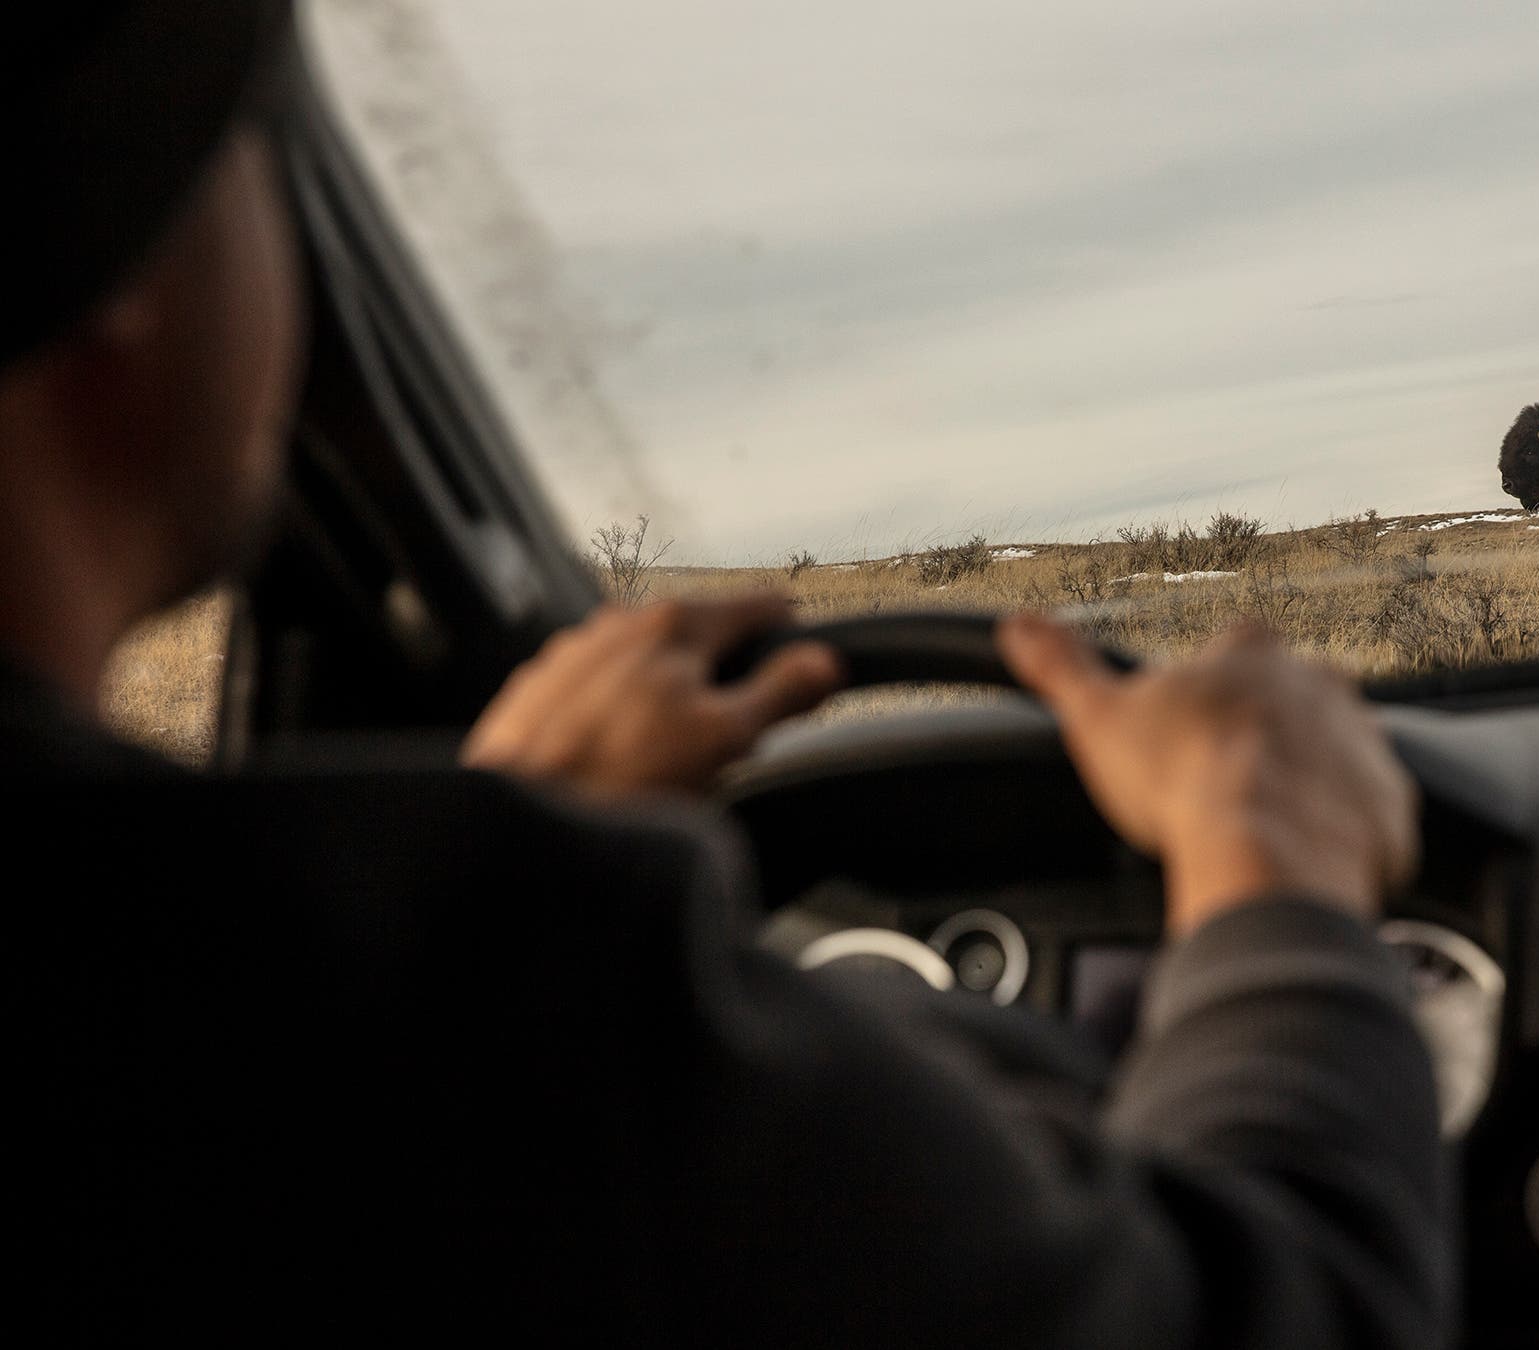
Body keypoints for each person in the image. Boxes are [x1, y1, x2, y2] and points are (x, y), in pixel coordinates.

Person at [4, 3, 1445, 1344]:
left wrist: (507, 825)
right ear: (127, 234)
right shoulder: (496, 1031)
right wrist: (1275, 873)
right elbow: (1286, 1305)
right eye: (254, 147)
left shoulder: (330, 1021)